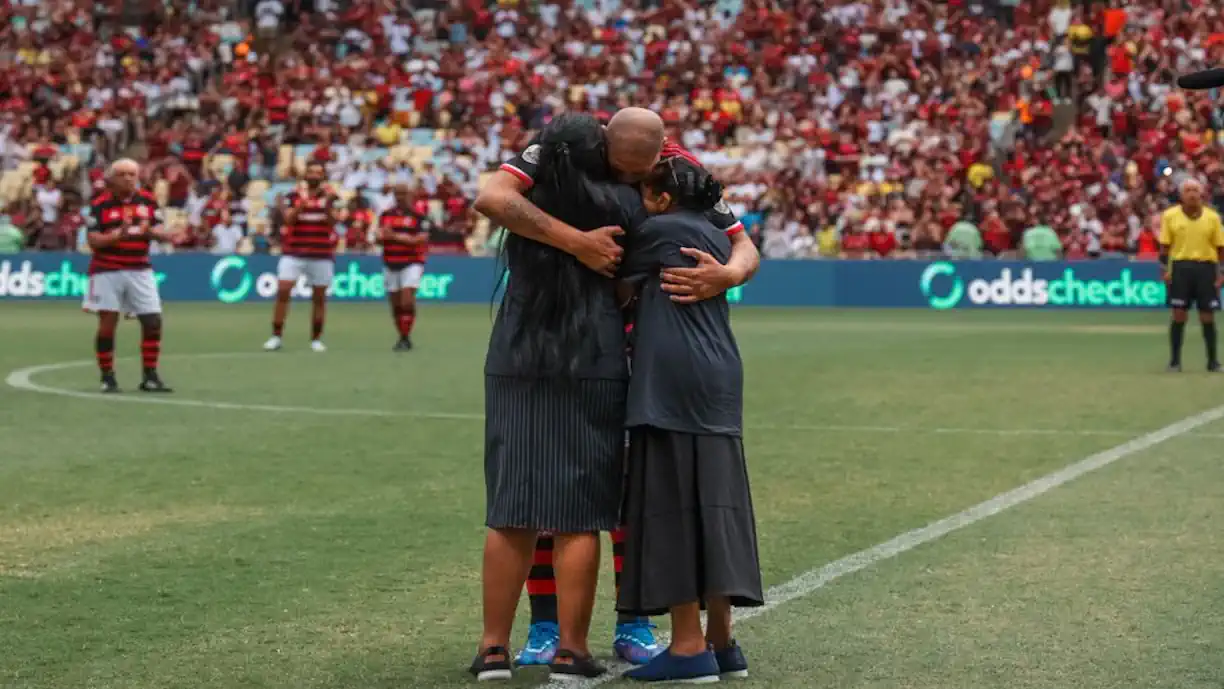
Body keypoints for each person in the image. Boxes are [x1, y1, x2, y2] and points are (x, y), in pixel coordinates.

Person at [502, 108, 755, 666]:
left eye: (642, 176)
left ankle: (634, 621)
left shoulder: (678, 173)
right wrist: (574, 245)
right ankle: (545, 627)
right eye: (624, 170)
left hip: (640, 359)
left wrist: (728, 274)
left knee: (631, 491)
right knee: (554, 487)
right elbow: (493, 197)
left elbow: (743, 244)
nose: (633, 183)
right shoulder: (562, 154)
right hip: (564, 348)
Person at [471, 113, 646, 683]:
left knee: (510, 511)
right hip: (591, 353)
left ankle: (493, 649)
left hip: (518, 350)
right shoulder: (622, 204)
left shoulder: (530, 203)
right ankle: (573, 651)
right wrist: (584, 249)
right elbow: (625, 290)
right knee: (579, 516)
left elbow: (492, 199)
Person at [616, 158, 764, 683]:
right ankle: (723, 642)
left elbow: (612, 285)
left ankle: (686, 646)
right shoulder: (713, 230)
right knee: (716, 504)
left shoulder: (657, 230)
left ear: (658, 198)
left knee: (673, 502)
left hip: (672, 379)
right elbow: (747, 250)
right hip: (720, 376)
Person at [83, 159, 179, 394]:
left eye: (132, 174)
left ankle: (150, 376)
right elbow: (93, 240)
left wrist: (165, 236)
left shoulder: (148, 200)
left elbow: (155, 229)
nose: (128, 178)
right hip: (107, 269)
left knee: (153, 320)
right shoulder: (99, 204)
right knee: (107, 324)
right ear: (112, 178)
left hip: (140, 268)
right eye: (123, 174)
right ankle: (108, 377)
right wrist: (117, 236)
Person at [264, 162, 340, 353]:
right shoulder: (294, 195)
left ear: (323, 176)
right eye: (311, 171)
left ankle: (316, 339)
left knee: (319, 298)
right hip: (294, 251)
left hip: (321, 253)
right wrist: (302, 205)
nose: (314, 175)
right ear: (305, 175)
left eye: (318, 172)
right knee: (283, 292)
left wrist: (327, 206)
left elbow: (333, 222)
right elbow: (289, 219)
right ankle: (276, 336)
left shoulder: (331, 196)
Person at [1160, 178, 1224, 372]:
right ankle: (1175, 361)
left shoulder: (1212, 217)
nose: (1192, 194)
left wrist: (1221, 273)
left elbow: (1220, 248)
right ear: (1181, 195)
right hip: (1180, 268)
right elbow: (1164, 248)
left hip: (1206, 268)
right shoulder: (1170, 216)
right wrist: (1165, 271)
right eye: (1188, 190)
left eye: (1196, 190)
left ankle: (1213, 362)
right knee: (1179, 315)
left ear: (1202, 193)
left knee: (1207, 316)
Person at [378, 183, 432, 351]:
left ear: (409, 195)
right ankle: (402, 336)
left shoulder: (419, 216)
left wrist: (393, 236)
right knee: (396, 304)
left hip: (411, 262)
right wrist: (380, 238)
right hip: (390, 262)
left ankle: (405, 335)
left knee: (407, 300)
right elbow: (380, 238)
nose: (400, 196)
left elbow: (420, 240)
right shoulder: (385, 215)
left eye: (403, 193)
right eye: (397, 193)